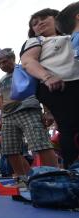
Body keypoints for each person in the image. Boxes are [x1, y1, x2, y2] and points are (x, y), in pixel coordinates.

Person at [21, 8, 79, 168]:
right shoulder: (36, 41)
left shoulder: (72, 36)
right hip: (57, 86)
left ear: (57, 19)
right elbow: (28, 61)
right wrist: (47, 77)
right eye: (35, 23)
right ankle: (74, 171)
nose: (39, 23)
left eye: (44, 18)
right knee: (71, 130)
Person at [0, 47, 57, 186]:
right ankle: (24, 179)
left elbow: (42, 90)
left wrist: (47, 111)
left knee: (41, 144)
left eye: (5, 61)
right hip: (9, 115)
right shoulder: (2, 80)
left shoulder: (26, 69)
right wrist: (2, 118)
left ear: (13, 58)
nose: (3, 65)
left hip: (28, 109)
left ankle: (55, 177)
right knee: (9, 149)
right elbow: (4, 100)